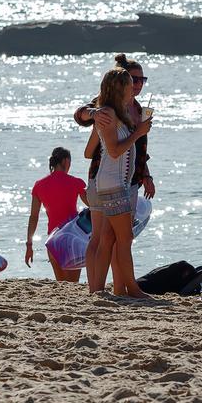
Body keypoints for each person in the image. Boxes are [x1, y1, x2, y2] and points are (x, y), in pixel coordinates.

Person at [76, 54, 155, 292]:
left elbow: (137, 151)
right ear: (122, 85)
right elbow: (109, 147)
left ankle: (108, 290)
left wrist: (146, 175)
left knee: (109, 238)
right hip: (111, 180)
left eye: (142, 80)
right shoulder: (108, 110)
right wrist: (92, 114)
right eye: (134, 80)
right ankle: (127, 288)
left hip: (119, 180)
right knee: (114, 238)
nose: (138, 85)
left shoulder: (133, 109)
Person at [25, 147, 88, 282]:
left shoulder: (39, 185)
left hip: (53, 242)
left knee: (62, 285)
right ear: (66, 161)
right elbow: (93, 205)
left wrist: (29, 245)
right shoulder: (76, 182)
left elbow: (34, 217)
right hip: (73, 239)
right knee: (72, 285)